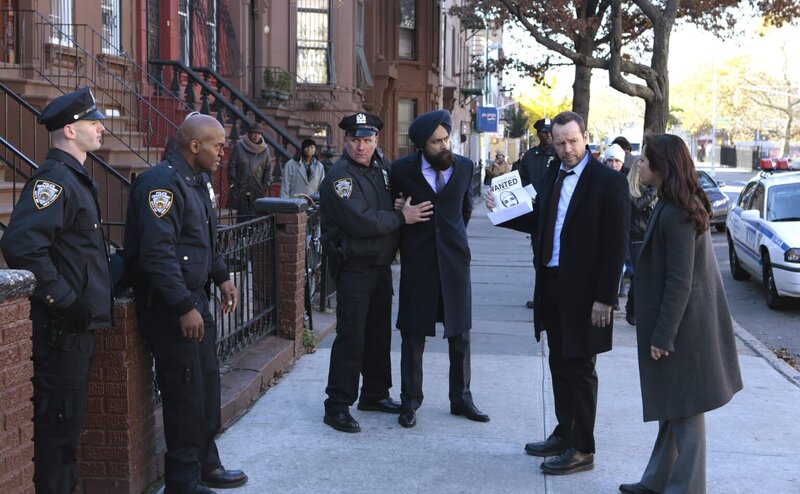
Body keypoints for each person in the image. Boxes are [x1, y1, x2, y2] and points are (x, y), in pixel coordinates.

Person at [486, 111, 629, 475]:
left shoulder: (607, 182)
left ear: (586, 137)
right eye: (561, 142)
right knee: (559, 363)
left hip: (586, 292)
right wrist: (501, 211)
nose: (567, 149)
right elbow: (540, 219)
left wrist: (605, 298)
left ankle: (582, 448)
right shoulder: (553, 171)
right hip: (551, 283)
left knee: (580, 368)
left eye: (573, 141)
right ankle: (565, 433)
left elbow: (616, 245)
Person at [124, 114, 247, 494]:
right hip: (170, 307)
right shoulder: (160, 184)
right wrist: (182, 307)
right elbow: (157, 255)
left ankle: (206, 462)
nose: (223, 152)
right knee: (184, 391)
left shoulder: (199, 182)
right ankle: (182, 480)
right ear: (195, 145)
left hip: (195, 299)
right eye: (218, 145)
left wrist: (222, 276)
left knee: (207, 387)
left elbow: (204, 239)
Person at [0, 87, 113, 494]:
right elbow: (21, 245)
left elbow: (76, 252)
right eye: (93, 121)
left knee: (68, 431)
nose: (102, 126)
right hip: (60, 331)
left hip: (75, 329)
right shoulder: (55, 180)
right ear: (70, 130)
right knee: (57, 434)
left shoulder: (77, 177)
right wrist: (64, 300)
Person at [619, 134, 742, 494]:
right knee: (672, 405)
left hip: (685, 328)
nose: (638, 164)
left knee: (686, 411)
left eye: (644, 160)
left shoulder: (678, 212)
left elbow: (679, 282)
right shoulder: (672, 203)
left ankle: (686, 488)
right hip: (683, 324)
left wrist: (662, 335)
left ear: (662, 166)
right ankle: (657, 480)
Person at [319, 112, 433, 433]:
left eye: (367, 140)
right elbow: (361, 220)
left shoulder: (381, 168)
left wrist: (400, 209)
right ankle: (337, 404)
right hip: (355, 266)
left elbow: (392, 201)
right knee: (351, 338)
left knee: (378, 335)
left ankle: (374, 393)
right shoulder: (341, 176)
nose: (361, 147)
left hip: (380, 265)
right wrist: (401, 218)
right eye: (355, 140)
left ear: (376, 141)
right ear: (345, 140)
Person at [390, 109, 489, 429]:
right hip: (419, 264)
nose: (445, 145)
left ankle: (461, 398)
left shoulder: (464, 167)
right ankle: (410, 401)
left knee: (460, 333)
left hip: (455, 263)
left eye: (446, 138)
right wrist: (402, 214)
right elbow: (395, 210)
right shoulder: (401, 171)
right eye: (437, 142)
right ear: (422, 146)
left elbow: (463, 211)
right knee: (413, 334)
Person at [517, 118, 556, 308]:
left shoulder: (559, 154)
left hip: (556, 211)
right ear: (538, 133)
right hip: (536, 212)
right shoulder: (530, 156)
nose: (547, 136)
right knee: (538, 255)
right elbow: (523, 180)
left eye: (550, 132)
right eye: (544, 132)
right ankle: (540, 296)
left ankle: (554, 296)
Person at [624, 159, 657, 326]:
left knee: (648, 275)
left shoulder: (649, 189)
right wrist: (653, 191)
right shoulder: (631, 188)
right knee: (638, 275)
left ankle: (640, 309)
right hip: (636, 237)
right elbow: (638, 205)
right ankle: (632, 309)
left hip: (649, 236)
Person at [227, 121, 272, 220]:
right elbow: (232, 166)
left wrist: (264, 186)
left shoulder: (265, 151)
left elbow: (268, 169)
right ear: (249, 133)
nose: (256, 136)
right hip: (240, 189)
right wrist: (234, 184)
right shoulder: (239, 147)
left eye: (259, 133)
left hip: (257, 191)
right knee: (241, 220)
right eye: (254, 133)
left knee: (256, 220)